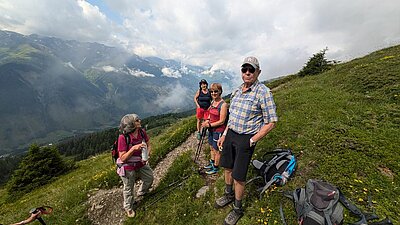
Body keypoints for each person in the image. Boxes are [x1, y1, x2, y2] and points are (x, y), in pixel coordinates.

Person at [215, 56, 278, 225]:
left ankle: (237, 209)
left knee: (239, 176)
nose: (248, 73)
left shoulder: (264, 92)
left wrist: (252, 140)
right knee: (227, 167)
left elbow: (271, 122)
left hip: (246, 138)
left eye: (251, 70)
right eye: (245, 69)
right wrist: (224, 134)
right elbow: (232, 116)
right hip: (231, 134)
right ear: (242, 72)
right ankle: (228, 195)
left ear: (258, 72)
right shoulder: (237, 91)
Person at [116, 114, 154, 218]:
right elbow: (122, 158)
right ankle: (128, 207)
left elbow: (148, 143)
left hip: (141, 162)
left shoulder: (142, 132)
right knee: (128, 188)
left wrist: (147, 154)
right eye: (137, 120)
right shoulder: (123, 138)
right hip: (127, 166)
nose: (140, 120)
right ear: (132, 124)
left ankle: (141, 192)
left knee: (149, 178)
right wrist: (133, 149)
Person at [201, 83, 228, 175]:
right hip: (211, 129)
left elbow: (222, 121)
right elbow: (210, 114)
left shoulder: (223, 105)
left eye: (216, 91)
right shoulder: (213, 102)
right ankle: (212, 162)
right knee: (211, 147)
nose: (213, 93)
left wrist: (209, 125)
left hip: (219, 130)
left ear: (220, 91)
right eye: (211, 91)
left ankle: (216, 168)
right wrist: (207, 120)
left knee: (217, 150)